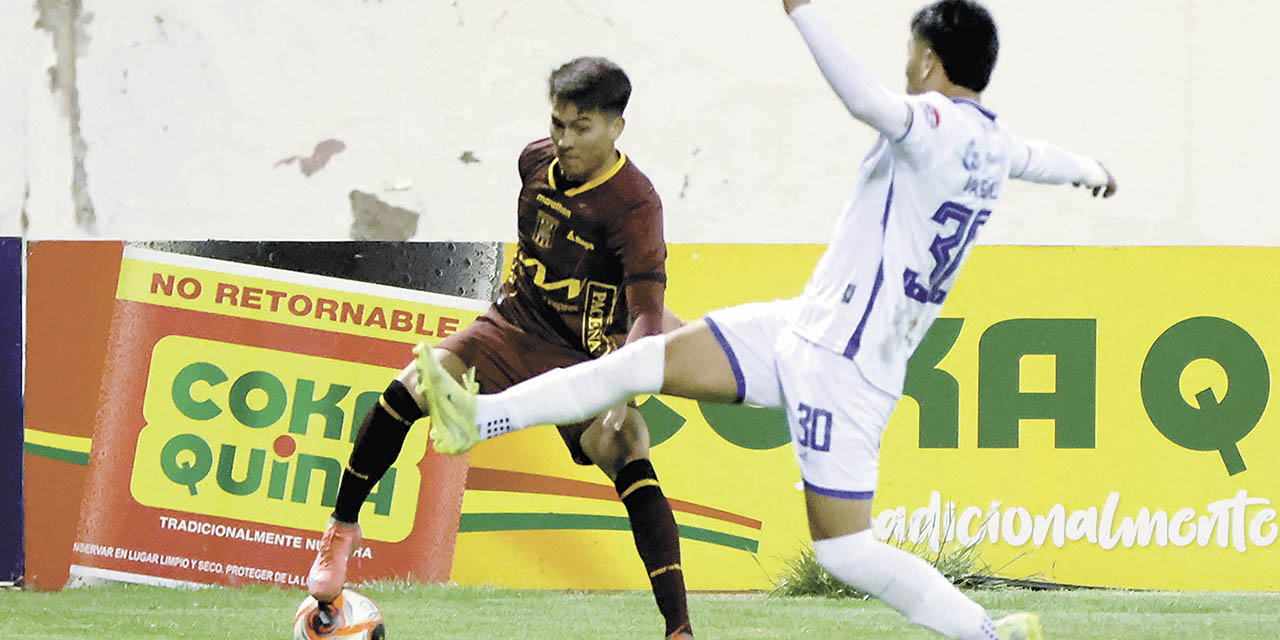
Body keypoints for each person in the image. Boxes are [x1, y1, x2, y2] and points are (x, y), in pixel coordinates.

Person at [418, 1, 1118, 639]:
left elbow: (866, 101)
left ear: (930, 61)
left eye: (911, 48)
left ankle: (988, 635)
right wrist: (1092, 170)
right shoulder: (997, 144)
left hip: (843, 368)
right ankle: (478, 419)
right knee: (636, 362)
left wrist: (804, 13)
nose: (906, 60)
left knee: (847, 551)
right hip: (802, 328)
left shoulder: (932, 123)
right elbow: (1045, 160)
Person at [306, 56, 695, 640]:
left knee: (627, 441)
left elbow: (646, 314)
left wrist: (626, 383)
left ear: (617, 127)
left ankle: (679, 628)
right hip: (512, 326)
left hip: (586, 354)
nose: (563, 140)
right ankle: (341, 531)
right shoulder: (533, 160)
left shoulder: (637, 206)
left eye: (580, 127)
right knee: (416, 380)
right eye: (558, 123)